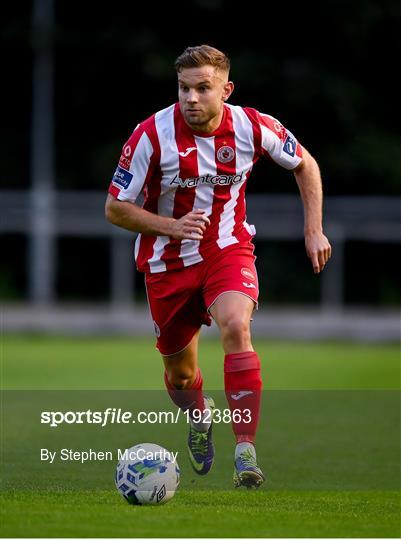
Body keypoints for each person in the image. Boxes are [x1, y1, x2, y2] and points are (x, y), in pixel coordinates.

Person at [105, 44, 331, 488]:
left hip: (228, 249)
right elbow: (115, 208)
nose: (190, 98)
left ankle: (245, 450)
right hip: (167, 264)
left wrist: (313, 229)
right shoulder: (151, 135)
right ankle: (200, 417)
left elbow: (304, 163)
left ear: (225, 90)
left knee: (235, 326)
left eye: (202, 88)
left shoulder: (251, 126)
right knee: (181, 375)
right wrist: (170, 225)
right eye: (184, 88)